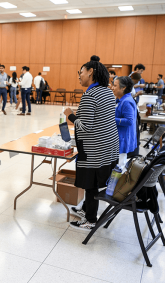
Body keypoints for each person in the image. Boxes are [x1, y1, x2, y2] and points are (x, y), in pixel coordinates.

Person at [64, 55, 119, 231]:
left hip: (94, 150)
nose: (79, 76)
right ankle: (86, 209)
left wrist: (70, 115)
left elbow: (85, 127)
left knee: (91, 185)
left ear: (90, 72)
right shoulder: (108, 92)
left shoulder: (90, 95)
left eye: (81, 72)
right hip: (108, 147)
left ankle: (90, 219)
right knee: (95, 183)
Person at [112, 76, 137, 158]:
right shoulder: (121, 100)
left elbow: (129, 121)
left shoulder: (126, 101)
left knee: (118, 168)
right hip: (119, 138)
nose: (112, 88)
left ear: (123, 88)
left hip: (122, 139)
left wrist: (110, 120)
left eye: (115, 86)